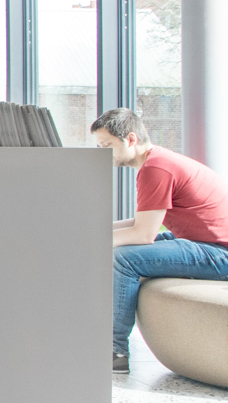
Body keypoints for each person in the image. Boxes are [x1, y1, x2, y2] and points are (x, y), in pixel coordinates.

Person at [91, 108, 228, 373]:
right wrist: (94, 231)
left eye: (107, 146)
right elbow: (142, 221)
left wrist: (94, 243)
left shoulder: (156, 169)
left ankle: (115, 352)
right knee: (124, 246)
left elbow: (144, 234)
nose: (103, 154)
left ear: (130, 139)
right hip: (203, 241)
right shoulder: (158, 161)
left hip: (219, 253)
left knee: (123, 258)